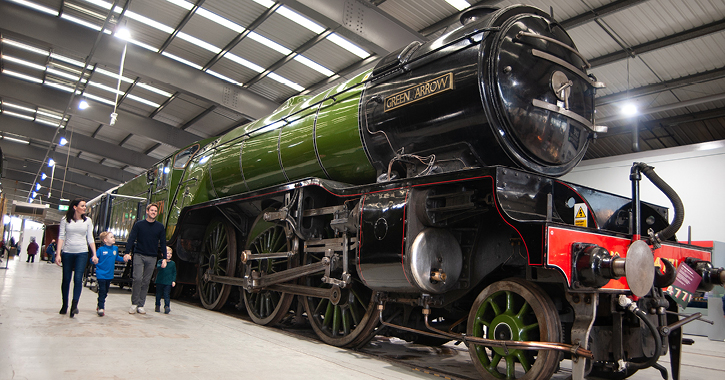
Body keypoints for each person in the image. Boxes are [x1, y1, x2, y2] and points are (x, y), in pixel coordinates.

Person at [56, 199, 98, 318]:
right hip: (67, 252)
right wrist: (58, 254)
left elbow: (90, 238)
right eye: (82, 206)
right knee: (66, 279)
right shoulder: (65, 220)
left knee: (78, 279)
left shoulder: (88, 221)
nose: (85, 208)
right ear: (75, 207)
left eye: (85, 206)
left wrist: (94, 254)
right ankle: (65, 305)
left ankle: (74, 305)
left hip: (82, 252)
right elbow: (61, 237)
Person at [124, 203, 166, 314]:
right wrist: (127, 253)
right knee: (137, 279)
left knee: (146, 281)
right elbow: (131, 239)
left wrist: (165, 258)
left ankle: (141, 305)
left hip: (152, 257)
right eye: (152, 210)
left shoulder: (160, 227)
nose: (154, 212)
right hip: (139, 255)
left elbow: (162, 243)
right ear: (147, 212)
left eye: (155, 211)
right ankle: (134, 303)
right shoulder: (139, 225)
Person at [93, 231, 128, 316]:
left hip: (109, 274)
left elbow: (117, 258)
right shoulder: (101, 250)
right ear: (105, 240)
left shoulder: (115, 249)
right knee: (102, 290)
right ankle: (101, 307)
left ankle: (99, 304)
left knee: (105, 292)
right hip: (101, 274)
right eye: (111, 237)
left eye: (113, 237)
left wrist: (123, 259)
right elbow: (94, 258)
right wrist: (94, 260)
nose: (113, 238)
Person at [155, 246, 176, 314]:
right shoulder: (160, 261)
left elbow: (174, 272)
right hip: (160, 281)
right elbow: (158, 267)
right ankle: (157, 305)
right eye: (167, 253)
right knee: (158, 294)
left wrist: (173, 280)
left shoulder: (172, 264)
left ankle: (167, 306)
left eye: (170, 253)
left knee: (166, 294)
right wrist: (162, 265)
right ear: (162, 254)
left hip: (168, 282)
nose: (169, 255)